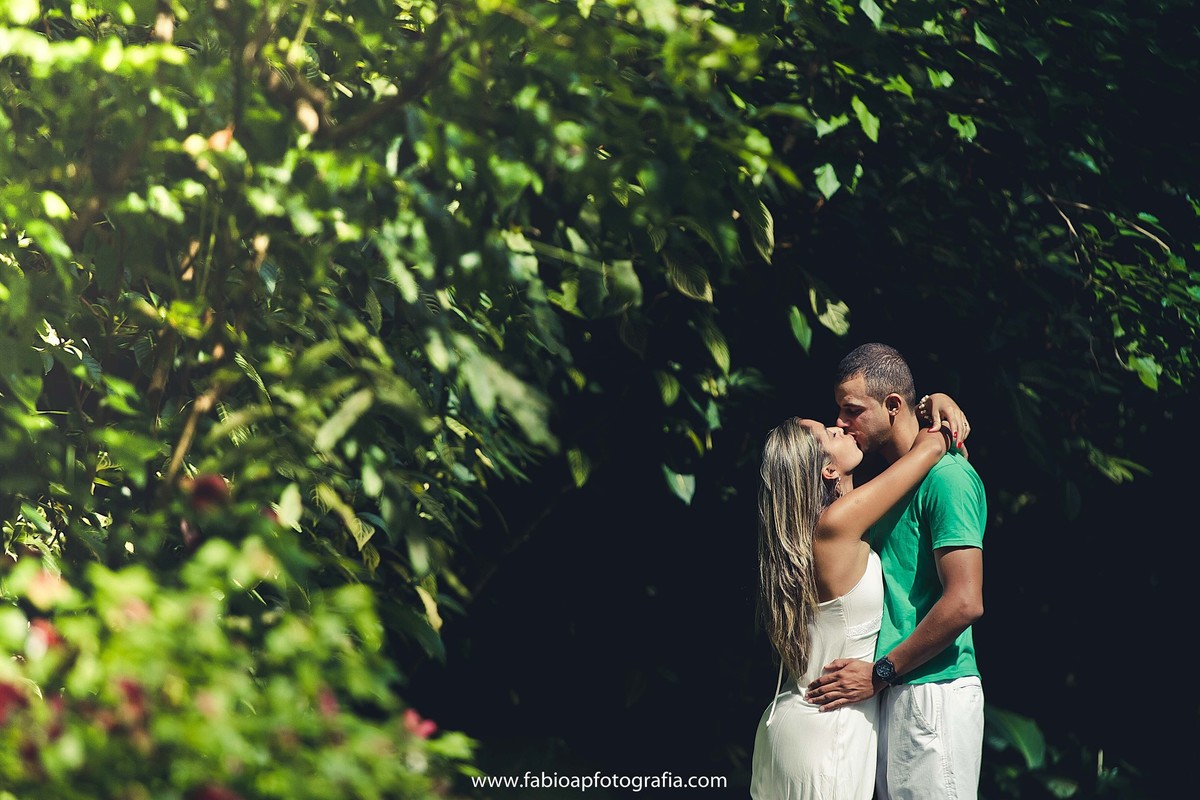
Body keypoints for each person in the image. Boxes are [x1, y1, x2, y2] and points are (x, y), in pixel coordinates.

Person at [750, 393, 965, 800]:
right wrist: (938, 404)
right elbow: (931, 448)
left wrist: (934, 401)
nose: (840, 425)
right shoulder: (835, 526)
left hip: (790, 725)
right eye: (828, 433)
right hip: (829, 733)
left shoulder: (814, 531)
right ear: (828, 468)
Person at [805, 343, 986, 800]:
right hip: (891, 689)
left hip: (934, 690)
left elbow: (965, 601)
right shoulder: (879, 491)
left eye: (852, 411)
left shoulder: (947, 478)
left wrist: (880, 672)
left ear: (891, 406)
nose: (841, 424)